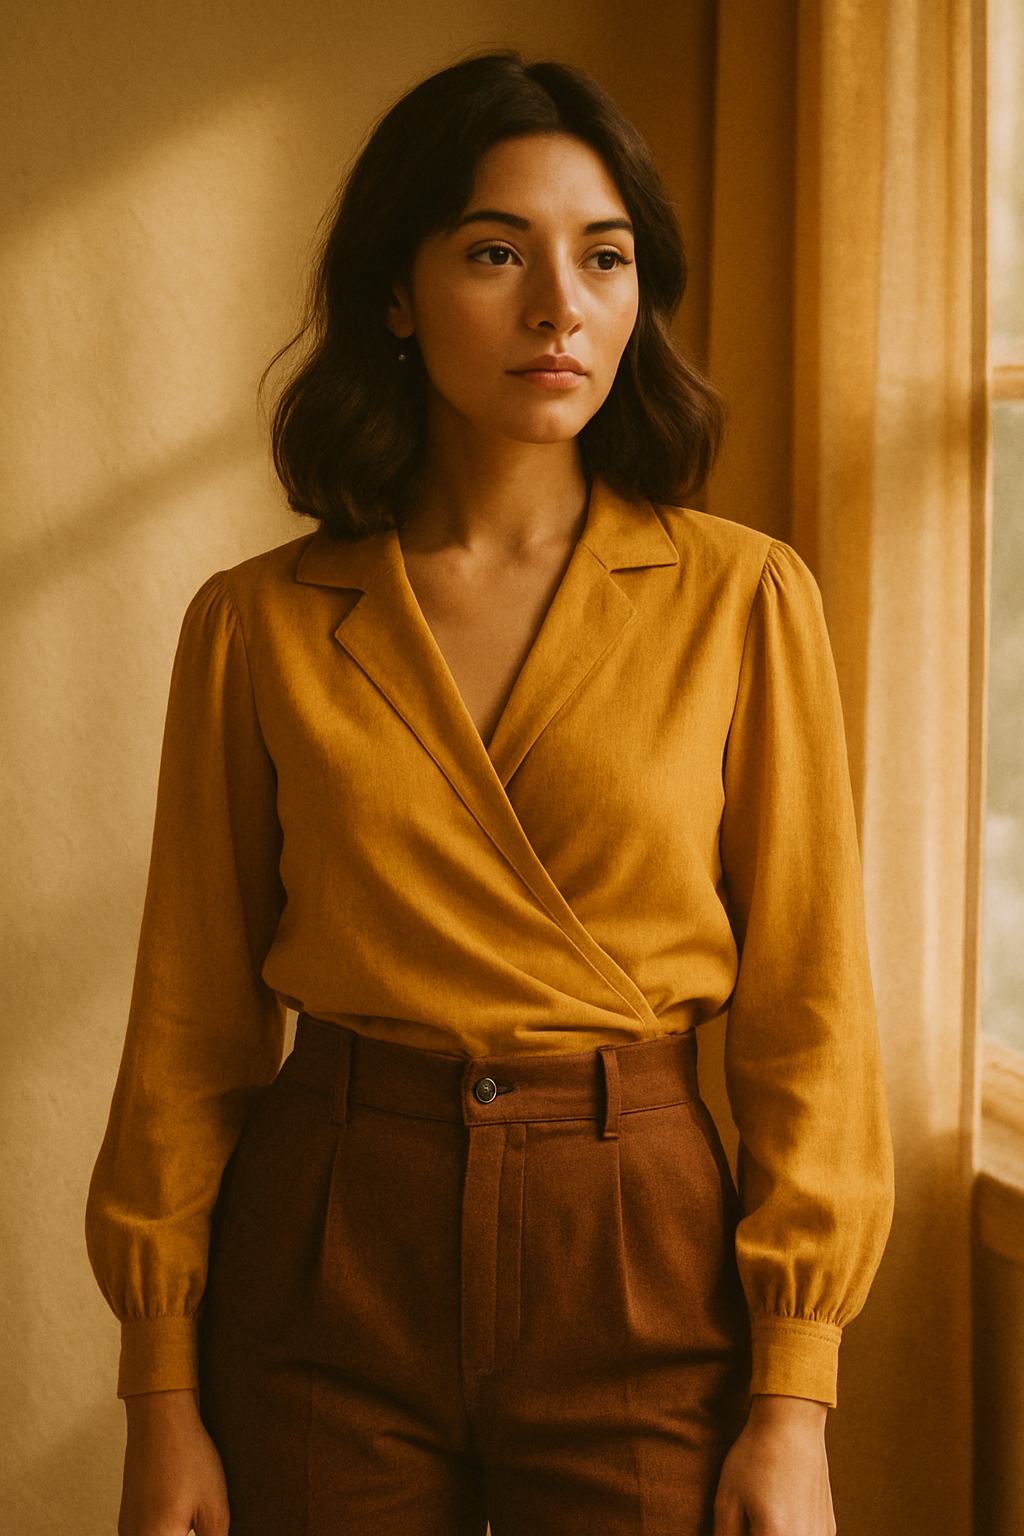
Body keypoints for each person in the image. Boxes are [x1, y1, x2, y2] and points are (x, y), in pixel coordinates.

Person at [87, 51, 894, 1536]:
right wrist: (160, 1389)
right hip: (329, 1248)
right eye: (494, 252)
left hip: (640, 1247)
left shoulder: (744, 599)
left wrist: (796, 1395)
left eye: (605, 257)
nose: (558, 306)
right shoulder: (258, 624)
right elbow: (191, 1025)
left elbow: (810, 1014)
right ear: (396, 295)